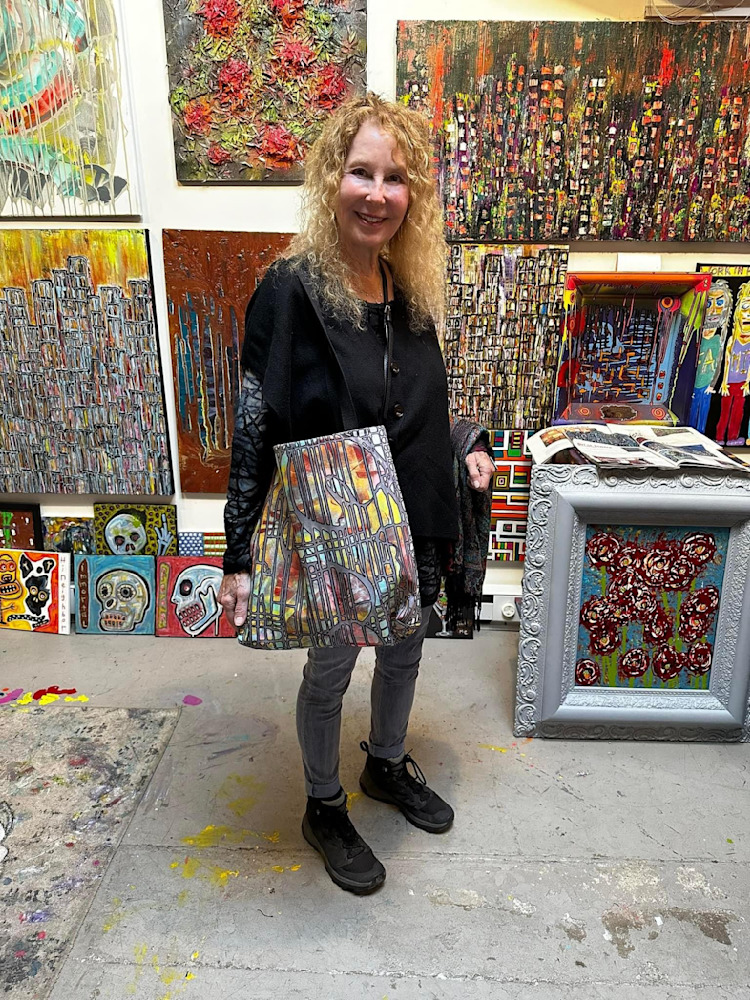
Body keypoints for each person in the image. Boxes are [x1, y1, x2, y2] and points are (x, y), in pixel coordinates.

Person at [218, 93, 494, 895]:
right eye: (360, 173)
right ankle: (324, 803)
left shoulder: (408, 295)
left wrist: (466, 444)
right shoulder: (290, 290)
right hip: (334, 526)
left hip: (409, 515)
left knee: (406, 649)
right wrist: (237, 550)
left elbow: (413, 409)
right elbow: (254, 421)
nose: (376, 193)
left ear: (413, 195)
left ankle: (384, 764)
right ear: (329, 180)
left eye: (394, 178)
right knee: (333, 664)